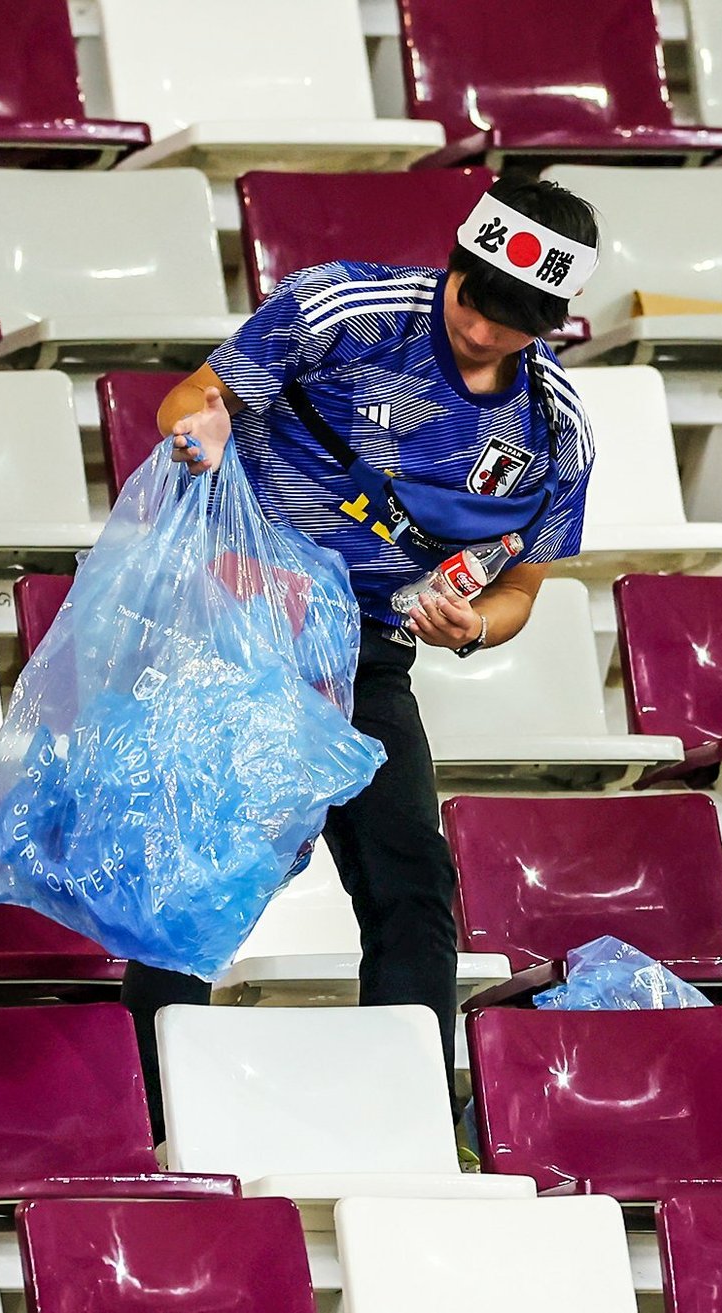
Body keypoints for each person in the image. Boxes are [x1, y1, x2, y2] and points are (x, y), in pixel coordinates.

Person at [121, 173, 600, 1139]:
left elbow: (519, 593)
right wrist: (199, 428)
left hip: (368, 654)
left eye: (515, 322)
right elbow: (195, 395)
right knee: (196, 874)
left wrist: (474, 628)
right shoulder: (341, 309)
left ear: (552, 318)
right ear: (454, 261)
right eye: (475, 300)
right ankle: (158, 1119)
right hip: (235, 622)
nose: (483, 331)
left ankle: (409, 1114)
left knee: (411, 885)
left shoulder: (556, 431)